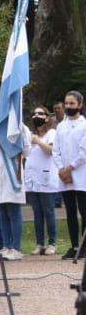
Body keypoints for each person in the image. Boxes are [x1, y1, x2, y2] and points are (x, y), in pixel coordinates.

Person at [0, 112, 31, 260]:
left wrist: (20, 131)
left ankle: (16, 248)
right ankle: (6, 246)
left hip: (12, 175)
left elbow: (27, 151)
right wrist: (6, 130)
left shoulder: (22, 128)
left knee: (13, 212)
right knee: (1, 213)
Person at [55, 91, 86, 259]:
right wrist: (61, 169)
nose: (68, 106)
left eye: (72, 103)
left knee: (84, 210)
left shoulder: (84, 125)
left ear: (80, 105)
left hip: (80, 174)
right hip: (64, 176)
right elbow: (56, 150)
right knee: (70, 212)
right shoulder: (61, 126)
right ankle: (74, 246)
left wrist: (70, 168)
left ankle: (84, 247)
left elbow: (83, 152)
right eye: (66, 103)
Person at [27, 107, 60, 255]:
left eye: (40, 113)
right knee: (37, 213)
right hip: (32, 179)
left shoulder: (51, 133)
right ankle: (40, 243)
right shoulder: (30, 135)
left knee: (48, 212)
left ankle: (52, 243)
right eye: (34, 113)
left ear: (47, 117)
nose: (36, 116)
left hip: (47, 179)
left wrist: (38, 141)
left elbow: (51, 151)